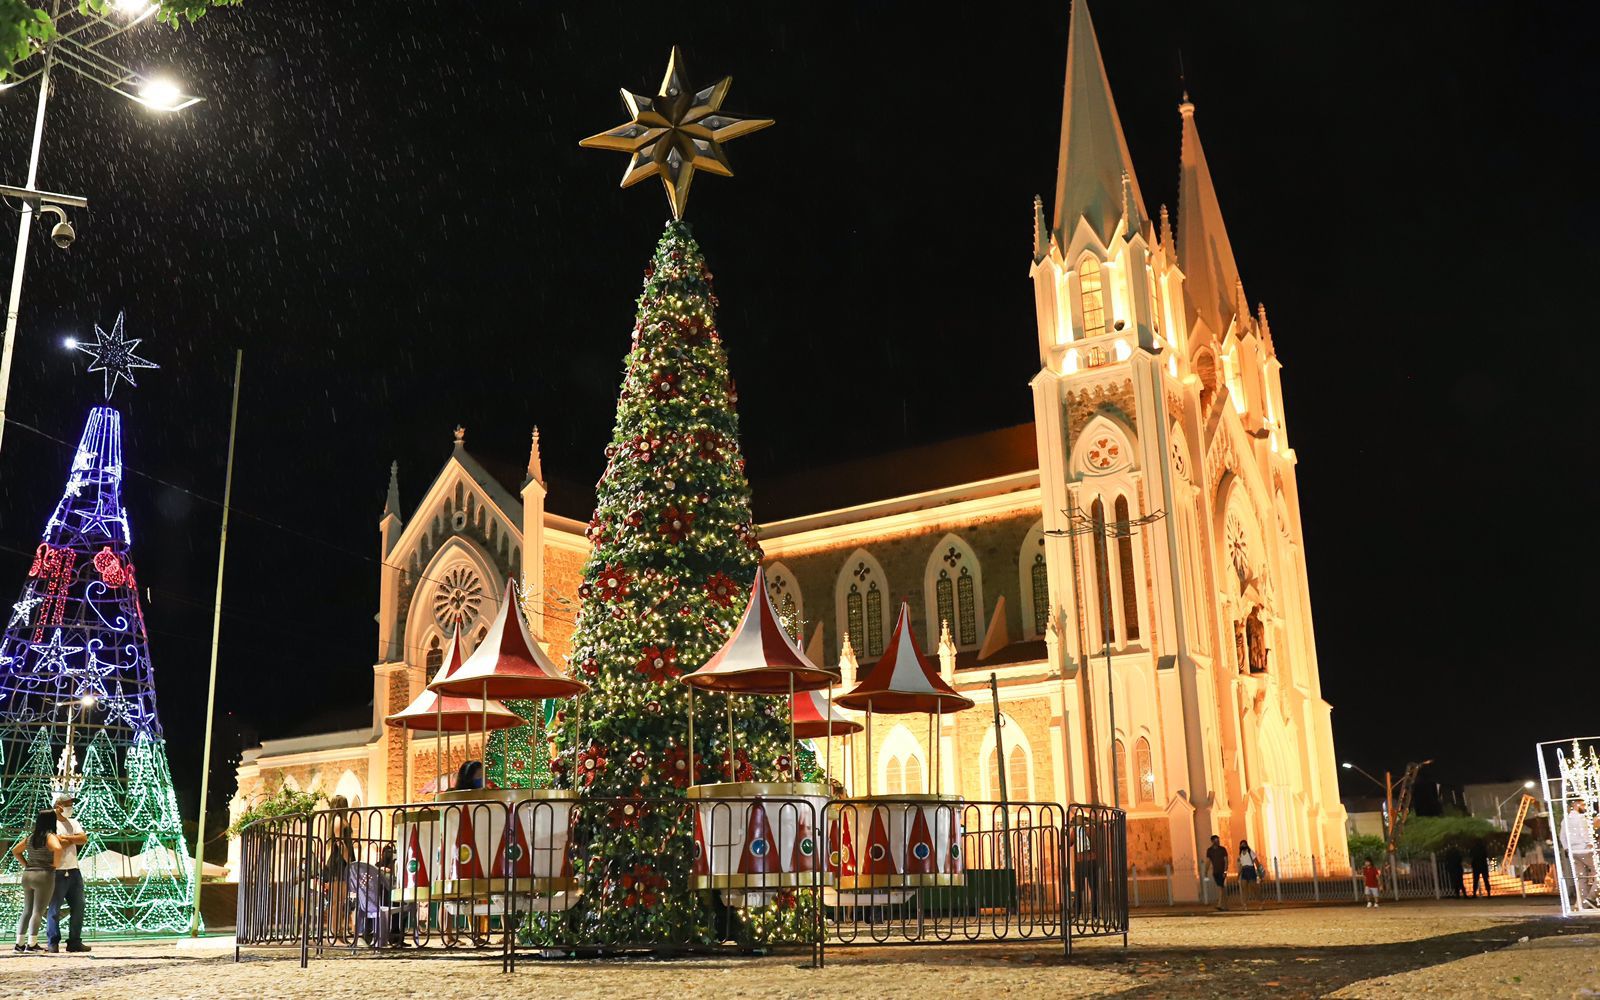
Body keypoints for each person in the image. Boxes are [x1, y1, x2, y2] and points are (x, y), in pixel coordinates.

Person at [45, 792, 89, 953]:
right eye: (68, 804)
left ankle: (74, 941)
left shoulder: (73, 822)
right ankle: (53, 942)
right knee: (55, 908)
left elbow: (83, 839)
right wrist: (72, 838)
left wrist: (66, 838)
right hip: (57, 871)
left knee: (79, 906)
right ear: (58, 806)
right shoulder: (49, 824)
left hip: (74, 871)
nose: (70, 807)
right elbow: (55, 843)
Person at [11, 810, 60, 952]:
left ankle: (19, 944)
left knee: (26, 910)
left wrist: (26, 864)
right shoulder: (49, 836)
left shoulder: (31, 837)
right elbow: (58, 848)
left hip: (28, 875)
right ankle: (32, 944)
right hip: (44, 874)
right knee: (38, 911)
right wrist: (55, 864)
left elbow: (15, 851)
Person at [1563, 798, 1599, 909]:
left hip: (1573, 851)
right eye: (1583, 804)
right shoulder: (1582, 818)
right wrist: (1589, 843)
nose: (1585, 807)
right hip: (1584, 850)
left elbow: (1562, 836)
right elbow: (1585, 833)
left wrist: (1567, 848)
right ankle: (1590, 898)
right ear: (1576, 805)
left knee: (1581, 878)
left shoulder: (1565, 820)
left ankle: (1583, 903)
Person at [1205, 835, 1229, 911]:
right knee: (1222, 888)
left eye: (1218, 840)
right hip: (1215, 871)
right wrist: (1205, 871)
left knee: (1220, 887)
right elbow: (1208, 861)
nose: (1217, 842)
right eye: (1216, 840)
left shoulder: (1222, 849)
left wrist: (1225, 871)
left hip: (1222, 871)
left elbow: (1226, 861)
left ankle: (1219, 904)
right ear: (1212, 841)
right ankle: (1225, 905)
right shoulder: (1209, 850)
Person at [1236, 840, 1259, 910]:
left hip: (1251, 870)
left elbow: (1256, 862)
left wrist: (1258, 873)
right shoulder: (1240, 855)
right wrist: (1238, 875)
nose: (1243, 846)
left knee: (1254, 888)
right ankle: (1245, 905)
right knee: (1244, 889)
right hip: (1244, 871)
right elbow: (1241, 866)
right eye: (1241, 845)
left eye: (1244, 844)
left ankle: (1260, 902)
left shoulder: (1250, 852)